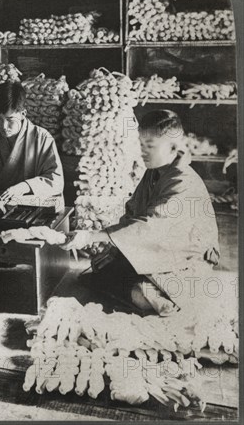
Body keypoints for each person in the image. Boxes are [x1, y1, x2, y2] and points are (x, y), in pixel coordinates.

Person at [57, 109, 220, 315]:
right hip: (160, 250)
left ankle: (167, 298)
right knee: (102, 268)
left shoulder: (183, 181)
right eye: (141, 144)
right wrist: (114, 249)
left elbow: (150, 226)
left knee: (141, 294)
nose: (142, 151)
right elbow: (133, 212)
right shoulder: (154, 172)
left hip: (188, 260)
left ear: (173, 147)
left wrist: (91, 236)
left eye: (150, 146)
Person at [0, 81, 64, 208]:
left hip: (31, 208)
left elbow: (56, 180)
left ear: (23, 114)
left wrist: (25, 186)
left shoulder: (42, 138)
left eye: (10, 119)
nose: (4, 126)